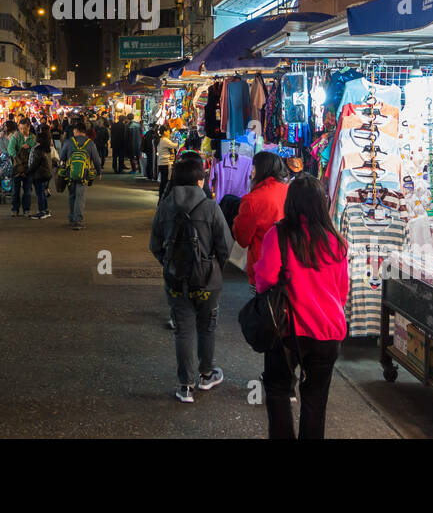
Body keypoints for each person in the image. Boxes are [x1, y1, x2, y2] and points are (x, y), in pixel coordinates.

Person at [252, 175, 349, 439]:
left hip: (288, 331)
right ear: (322, 203)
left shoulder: (278, 235)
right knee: (316, 399)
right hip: (329, 332)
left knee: (278, 390)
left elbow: (265, 281)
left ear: (291, 202)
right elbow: (342, 292)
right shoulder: (337, 242)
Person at [150, 154, 232, 403]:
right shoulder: (210, 206)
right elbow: (225, 246)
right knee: (207, 326)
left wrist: (169, 262)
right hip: (207, 280)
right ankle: (206, 375)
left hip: (176, 279)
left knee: (183, 331)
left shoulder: (165, 207)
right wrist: (213, 265)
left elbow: (155, 245)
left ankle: (185, 386)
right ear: (198, 181)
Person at [233, 152, 291, 282]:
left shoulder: (252, 200)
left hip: (263, 267)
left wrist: (236, 220)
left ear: (260, 170)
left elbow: (242, 239)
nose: (251, 172)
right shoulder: (290, 191)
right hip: (290, 264)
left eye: (253, 168)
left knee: (262, 301)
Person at [58, 122, 102, 230]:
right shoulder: (90, 143)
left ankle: (72, 218)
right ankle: (78, 221)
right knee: (80, 197)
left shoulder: (68, 142)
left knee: (72, 195)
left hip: (70, 174)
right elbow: (96, 159)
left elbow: (62, 157)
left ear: (76, 131)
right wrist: (99, 171)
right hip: (84, 174)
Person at [6, 119, 38, 218]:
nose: (22, 130)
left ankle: (26, 210)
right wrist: (18, 155)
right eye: (20, 128)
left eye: (24, 128)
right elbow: (10, 149)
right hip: (17, 167)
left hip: (28, 168)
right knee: (15, 190)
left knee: (27, 190)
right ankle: (15, 209)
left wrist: (29, 146)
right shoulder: (16, 136)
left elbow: (36, 148)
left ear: (29, 127)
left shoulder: (33, 137)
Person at [28, 127, 55, 220]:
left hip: (38, 174)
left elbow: (35, 163)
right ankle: (46, 210)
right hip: (45, 174)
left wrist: (29, 171)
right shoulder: (45, 149)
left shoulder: (37, 150)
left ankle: (41, 211)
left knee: (39, 193)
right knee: (42, 192)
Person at [155, 125, 180, 202]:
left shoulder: (161, 139)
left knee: (163, 182)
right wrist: (180, 141)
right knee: (165, 183)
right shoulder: (165, 140)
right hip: (165, 163)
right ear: (165, 132)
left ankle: (161, 199)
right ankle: (162, 199)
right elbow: (175, 146)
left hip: (162, 163)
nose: (169, 132)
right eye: (168, 131)